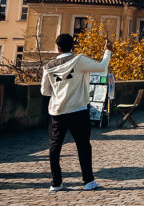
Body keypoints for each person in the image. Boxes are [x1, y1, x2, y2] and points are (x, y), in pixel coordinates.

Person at [40, 32, 112, 192]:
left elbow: (45, 91)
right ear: (72, 46)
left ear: (57, 47)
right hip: (78, 109)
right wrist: (107, 52)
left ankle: (56, 182)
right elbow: (101, 68)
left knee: (54, 147)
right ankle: (88, 181)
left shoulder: (48, 66)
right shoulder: (78, 60)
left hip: (57, 111)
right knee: (83, 146)